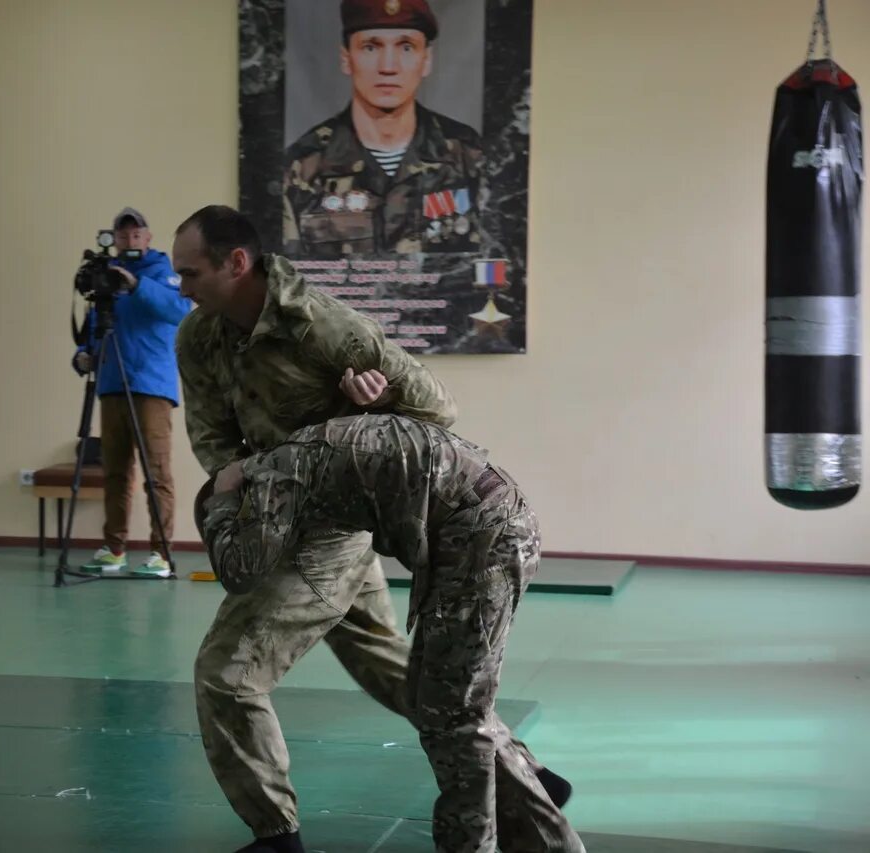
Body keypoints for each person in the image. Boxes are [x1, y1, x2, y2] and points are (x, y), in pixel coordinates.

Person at [173, 205, 569, 853]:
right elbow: (213, 438)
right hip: (289, 511)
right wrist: (250, 479)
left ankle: (277, 837)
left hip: (331, 525)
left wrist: (373, 403)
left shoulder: (322, 326)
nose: (181, 289)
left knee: (227, 674)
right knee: (410, 681)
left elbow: (435, 410)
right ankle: (532, 781)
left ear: (235, 263)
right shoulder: (200, 338)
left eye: (190, 273)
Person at [196, 413, 585, 853]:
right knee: (438, 700)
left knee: (455, 716)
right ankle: (541, 829)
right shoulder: (305, 448)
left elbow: (240, 569)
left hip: (479, 538)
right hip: (490, 522)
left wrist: (223, 502)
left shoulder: (273, 476)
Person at [282, 0, 484, 257]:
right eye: (370, 47)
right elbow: (284, 283)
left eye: (406, 47)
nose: (388, 66)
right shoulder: (302, 168)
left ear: (427, 60)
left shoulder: (469, 157)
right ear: (346, 59)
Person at [72, 207, 192, 577]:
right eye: (122, 235)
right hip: (110, 383)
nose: (129, 240)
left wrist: (137, 285)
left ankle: (161, 553)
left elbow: (180, 311)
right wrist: (82, 356)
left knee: (157, 470)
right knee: (115, 471)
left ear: (148, 237)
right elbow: (95, 324)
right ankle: (114, 547)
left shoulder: (163, 273)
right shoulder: (106, 276)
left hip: (150, 385)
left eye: (135, 234)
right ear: (113, 238)